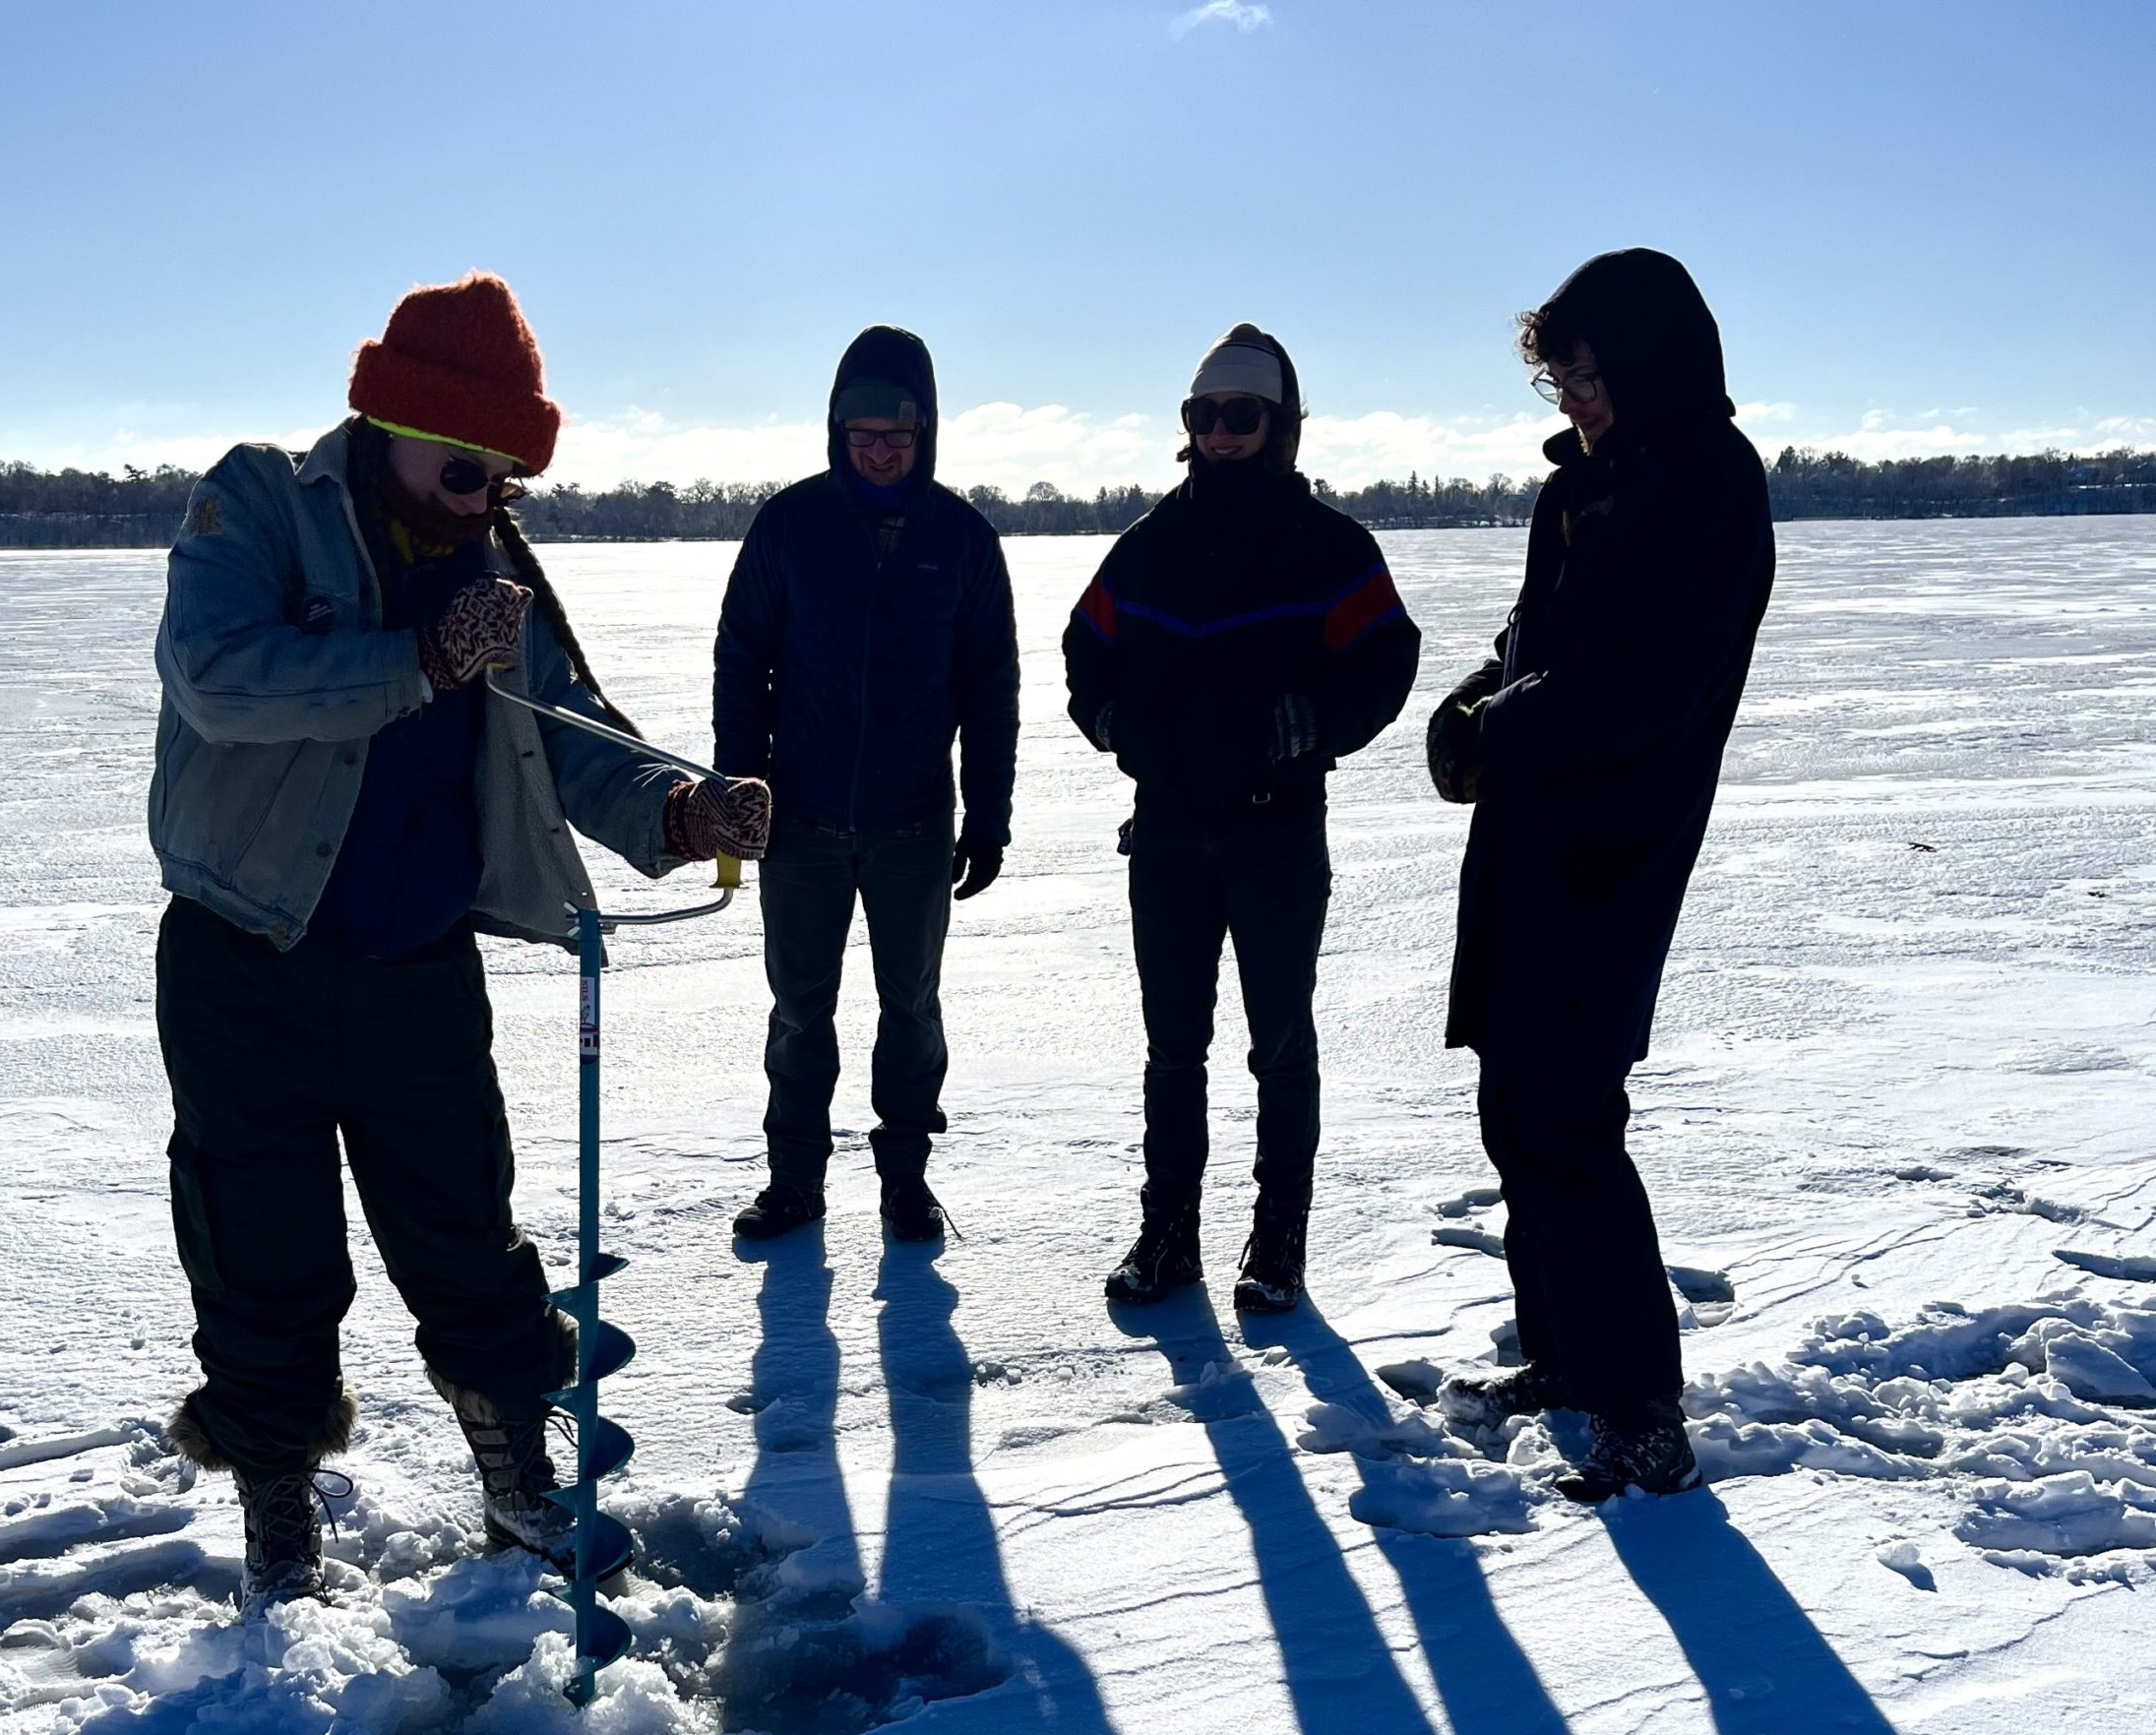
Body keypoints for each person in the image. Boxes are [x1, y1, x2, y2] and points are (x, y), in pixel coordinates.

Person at [148, 273, 770, 1602]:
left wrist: (682, 806)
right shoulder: (261, 501)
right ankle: (279, 1521)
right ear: (388, 415)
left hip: (415, 971)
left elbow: (571, 736)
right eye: (459, 455)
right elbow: (217, 678)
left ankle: (519, 1488)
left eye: (503, 467)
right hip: (240, 959)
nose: (479, 484)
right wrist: (416, 665)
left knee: (466, 1245)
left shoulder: (500, 577)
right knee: (261, 1252)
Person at [1424, 248, 1774, 1503]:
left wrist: (1499, 732)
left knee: (1569, 1118)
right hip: (1530, 836)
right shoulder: (1584, 490)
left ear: (1644, 361)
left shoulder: (1705, 486)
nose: (1567, 398)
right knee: (1516, 1110)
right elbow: (1536, 643)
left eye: (1581, 373)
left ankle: (1641, 1412)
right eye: (1555, 377)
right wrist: (1476, 697)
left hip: (1614, 848)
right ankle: (1566, 1356)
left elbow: (1648, 686)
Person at [1064, 325, 1419, 1312]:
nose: (1221, 433)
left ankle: (1277, 1247)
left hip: (1276, 840)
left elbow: (1388, 658)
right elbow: (1083, 651)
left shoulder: (1330, 549)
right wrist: (1110, 719)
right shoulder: (1146, 550)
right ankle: (1168, 1236)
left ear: (1279, 427)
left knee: (1279, 1047)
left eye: (1241, 415)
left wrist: (1325, 722)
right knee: (1173, 1049)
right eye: (1203, 415)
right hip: (1168, 839)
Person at [712, 326, 1019, 1245]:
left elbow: (990, 687)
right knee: (800, 1008)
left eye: (897, 435)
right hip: (800, 820)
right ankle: (794, 1180)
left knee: (911, 1007)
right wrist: (741, 785)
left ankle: (906, 1181)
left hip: (913, 824)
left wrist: (990, 814)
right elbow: (742, 660)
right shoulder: (789, 527)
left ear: (925, 432)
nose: (880, 453)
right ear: (836, 431)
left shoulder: (961, 540)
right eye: (863, 436)